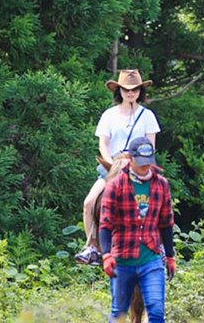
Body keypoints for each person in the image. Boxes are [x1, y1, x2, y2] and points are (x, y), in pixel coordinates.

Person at [75, 69, 161, 265]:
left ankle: (160, 245)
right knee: (89, 203)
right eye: (126, 90)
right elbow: (103, 143)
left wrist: (139, 162)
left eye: (134, 90)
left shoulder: (148, 116)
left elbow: (151, 145)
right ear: (119, 91)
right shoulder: (109, 115)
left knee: (158, 200)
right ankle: (92, 246)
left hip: (138, 165)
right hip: (112, 166)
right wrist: (111, 163)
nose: (130, 93)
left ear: (140, 91)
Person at [99, 136, 175, 323]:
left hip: (151, 260)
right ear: (130, 159)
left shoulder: (161, 184)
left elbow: (166, 223)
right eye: (141, 163)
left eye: (148, 163)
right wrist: (106, 255)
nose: (145, 167)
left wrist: (171, 255)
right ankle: (90, 248)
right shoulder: (115, 185)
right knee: (118, 313)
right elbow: (106, 224)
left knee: (156, 312)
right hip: (122, 260)